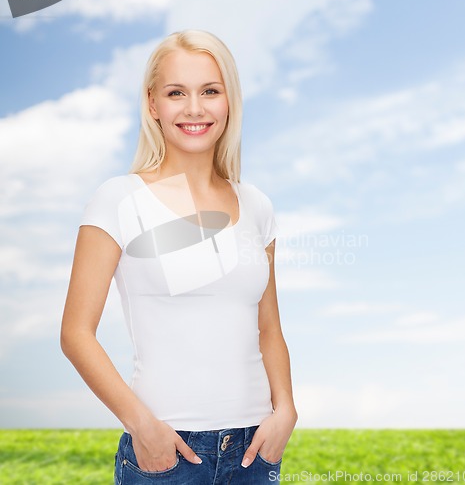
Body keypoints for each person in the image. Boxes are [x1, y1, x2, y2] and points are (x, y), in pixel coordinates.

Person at [60, 30, 297, 484]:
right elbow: (75, 333)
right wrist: (142, 426)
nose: (194, 108)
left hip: (254, 449)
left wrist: (284, 408)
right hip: (168, 451)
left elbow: (269, 327)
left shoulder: (258, 206)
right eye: (176, 93)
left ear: (230, 101)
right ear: (153, 104)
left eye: (210, 91)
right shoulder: (117, 199)